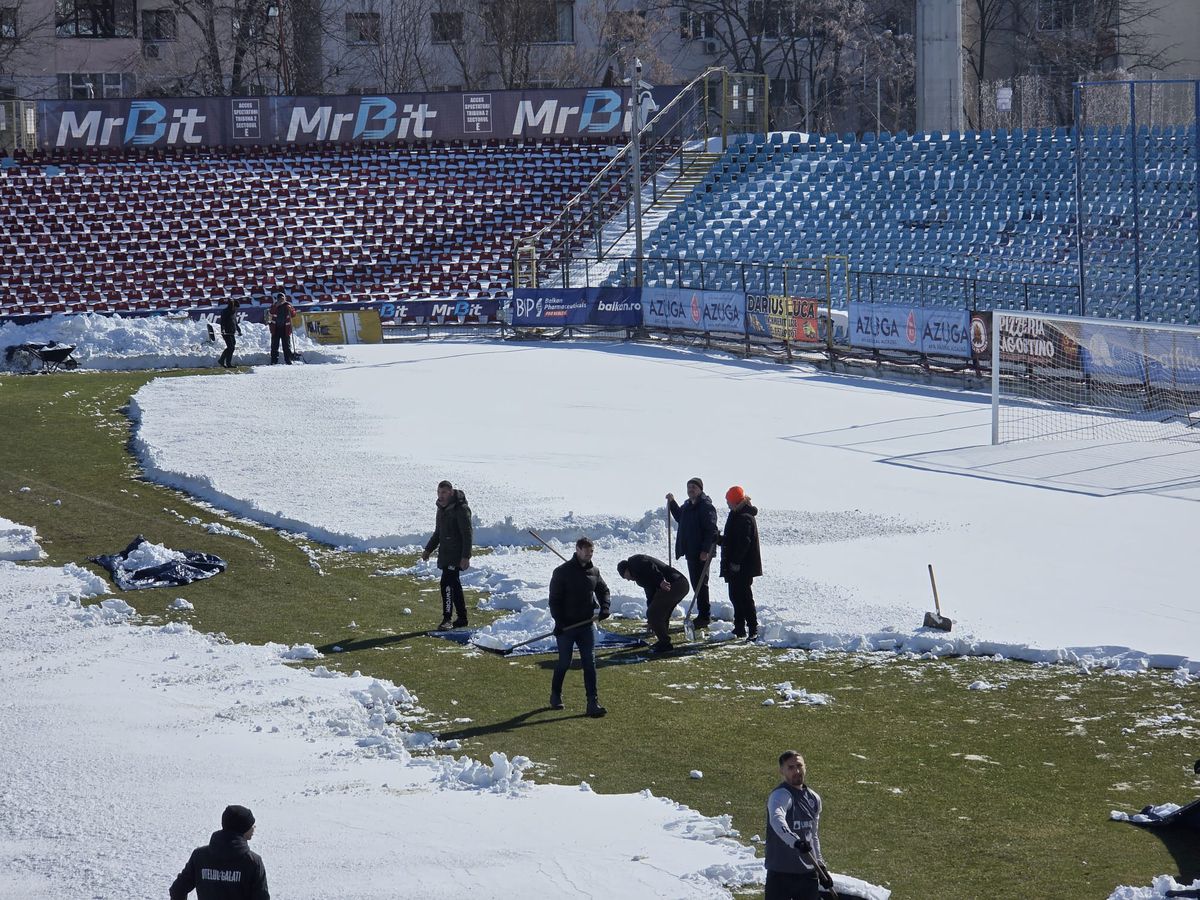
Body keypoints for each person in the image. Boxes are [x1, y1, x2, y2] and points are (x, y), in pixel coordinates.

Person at [547, 536, 611, 718]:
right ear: (577, 550)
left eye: (591, 552)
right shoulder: (562, 572)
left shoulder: (594, 572)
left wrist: (605, 607)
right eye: (586, 552)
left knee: (589, 663)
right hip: (566, 627)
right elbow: (555, 600)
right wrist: (559, 622)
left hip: (586, 625)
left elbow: (603, 590)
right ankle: (555, 695)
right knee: (564, 662)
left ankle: (593, 703)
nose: (589, 555)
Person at [765, 751, 834, 900]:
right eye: (790, 767)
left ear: (805, 767)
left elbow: (813, 836)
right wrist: (795, 841)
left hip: (807, 875)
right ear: (781, 771)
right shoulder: (780, 795)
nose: (796, 771)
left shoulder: (814, 798)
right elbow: (777, 820)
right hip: (780, 875)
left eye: (799, 766)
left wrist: (821, 867)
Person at [169, 804, 270, 900]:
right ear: (242, 828)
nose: (254, 827)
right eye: (251, 825)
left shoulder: (200, 856)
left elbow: (177, 890)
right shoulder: (253, 861)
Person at [667, 476, 719, 629]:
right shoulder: (688, 505)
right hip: (691, 551)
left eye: (694, 487)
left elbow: (711, 530)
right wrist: (672, 503)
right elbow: (679, 517)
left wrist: (705, 550)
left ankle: (705, 616)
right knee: (696, 584)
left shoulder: (706, 507)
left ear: (700, 489)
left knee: (701, 584)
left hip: (702, 553)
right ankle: (703, 614)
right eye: (689, 487)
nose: (691, 490)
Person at [422, 479, 473, 630]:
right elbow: (438, 533)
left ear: (451, 493)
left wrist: (465, 556)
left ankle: (447, 619)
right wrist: (428, 549)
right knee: (454, 585)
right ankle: (462, 618)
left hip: (456, 555)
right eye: (439, 492)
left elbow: (467, 534)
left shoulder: (461, 509)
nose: (441, 495)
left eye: (444, 492)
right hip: (445, 554)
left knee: (447, 585)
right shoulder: (441, 509)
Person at [616, 553, 689, 653]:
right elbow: (650, 596)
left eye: (625, 576)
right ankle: (664, 642)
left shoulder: (635, 561)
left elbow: (650, 566)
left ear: (626, 570)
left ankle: (664, 643)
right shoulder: (640, 579)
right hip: (679, 585)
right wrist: (651, 621)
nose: (628, 579)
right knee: (660, 613)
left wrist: (661, 581)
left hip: (674, 583)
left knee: (653, 613)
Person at [720, 485, 762, 640]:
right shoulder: (736, 514)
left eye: (728, 500)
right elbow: (733, 539)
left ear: (735, 501)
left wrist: (736, 562)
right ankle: (739, 627)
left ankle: (752, 628)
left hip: (743, 567)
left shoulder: (744, 517)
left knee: (744, 597)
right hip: (735, 565)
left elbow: (744, 542)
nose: (727, 504)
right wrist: (720, 540)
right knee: (735, 596)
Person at [269, 294, 295, 365]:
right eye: (279, 299)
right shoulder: (274, 305)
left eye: (282, 299)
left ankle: (288, 360)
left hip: (285, 329)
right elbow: (271, 312)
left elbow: (293, 314)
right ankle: (274, 361)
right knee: (274, 346)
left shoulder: (288, 305)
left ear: (284, 299)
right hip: (276, 329)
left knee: (286, 346)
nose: (281, 300)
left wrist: (290, 310)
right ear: (277, 299)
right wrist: (276, 306)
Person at [217, 298, 242, 369]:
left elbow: (235, 322)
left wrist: (238, 330)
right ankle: (228, 363)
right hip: (226, 332)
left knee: (231, 346)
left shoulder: (233, 312)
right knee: (231, 347)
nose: (237, 309)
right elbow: (222, 322)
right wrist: (223, 329)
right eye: (236, 307)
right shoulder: (225, 311)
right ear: (233, 306)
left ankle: (221, 360)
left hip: (231, 332)